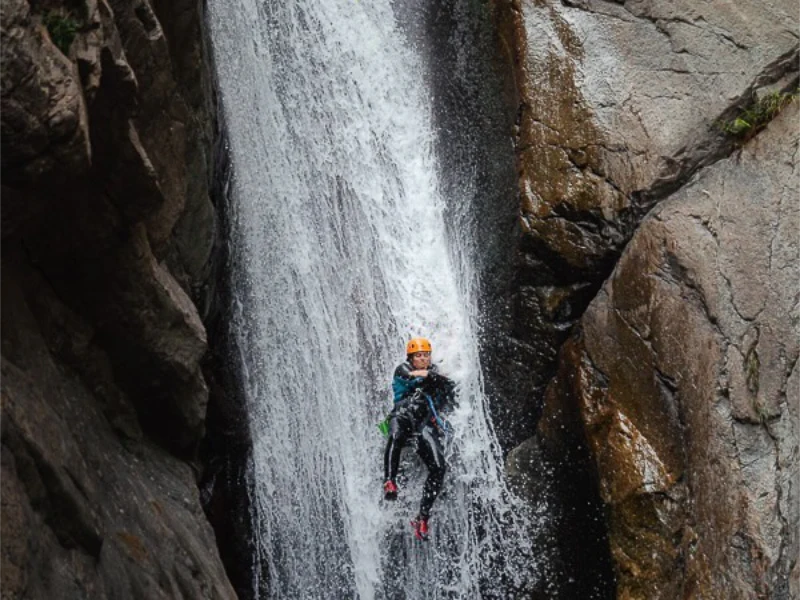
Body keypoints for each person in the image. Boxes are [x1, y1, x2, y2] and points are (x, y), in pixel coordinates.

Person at [383, 337, 456, 541]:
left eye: (426, 355)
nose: (423, 359)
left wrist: (443, 381)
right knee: (395, 435)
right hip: (404, 416)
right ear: (411, 358)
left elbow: (449, 390)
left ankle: (422, 516)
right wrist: (434, 375)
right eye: (419, 356)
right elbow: (415, 375)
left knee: (439, 467)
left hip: (424, 425)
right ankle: (389, 481)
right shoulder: (403, 369)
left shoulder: (434, 375)